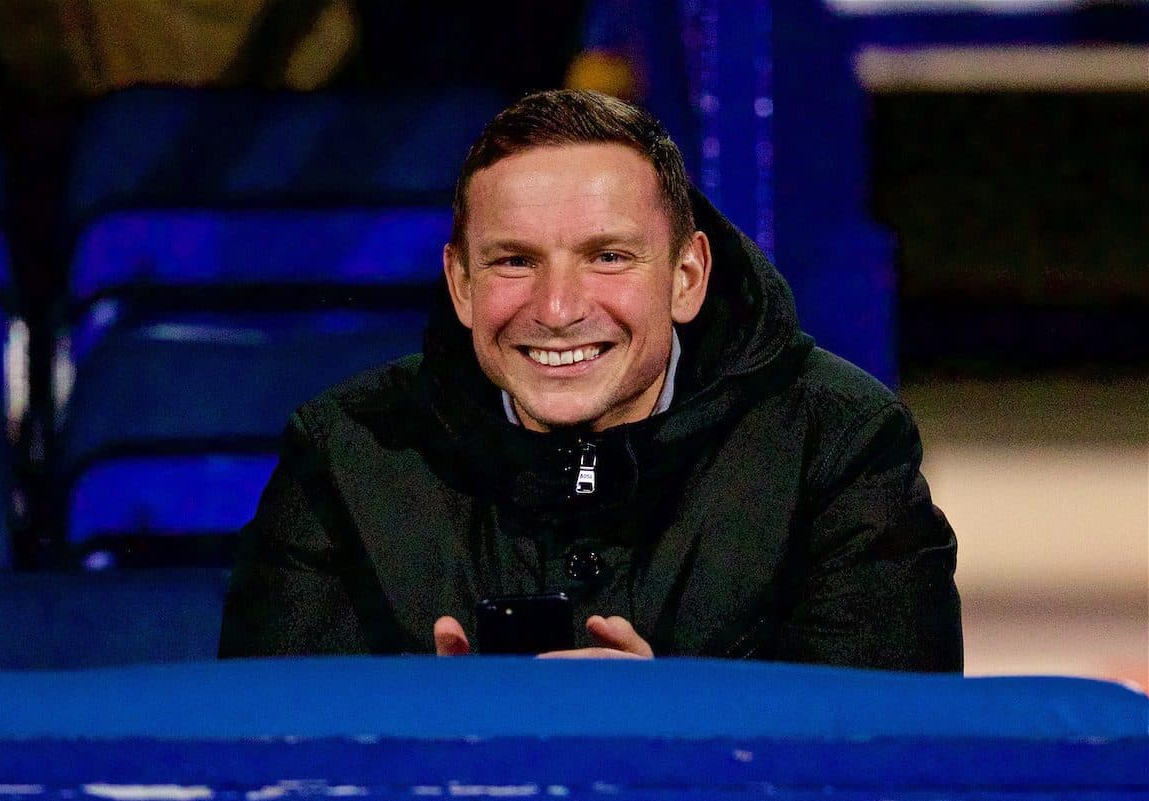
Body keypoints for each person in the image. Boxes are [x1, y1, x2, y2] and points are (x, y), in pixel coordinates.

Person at [219, 89, 963, 670]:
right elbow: (262, 760)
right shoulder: (345, 455)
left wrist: (669, 732)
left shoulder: (838, 445)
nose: (558, 308)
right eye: (514, 260)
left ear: (687, 276)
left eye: (608, 256)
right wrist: (427, 740)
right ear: (461, 283)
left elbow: (890, 755)